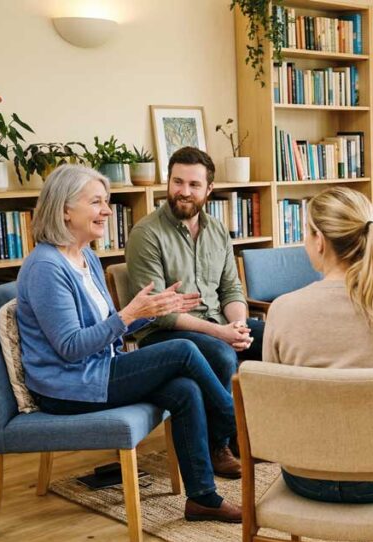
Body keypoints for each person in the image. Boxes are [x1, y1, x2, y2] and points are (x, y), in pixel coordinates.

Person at [17, 165, 242, 523]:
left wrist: (152, 310)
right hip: (67, 387)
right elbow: (71, 347)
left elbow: (108, 331)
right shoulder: (45, 266)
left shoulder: (85, 256)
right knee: (184, 350)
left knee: (184, 389)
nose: (107, 211)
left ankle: (202, 499)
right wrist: (127, 315)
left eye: (106, 202)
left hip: (97, 371)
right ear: (64, 210)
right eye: (97, 202)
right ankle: (233, 418)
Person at [263, 187, 373, 542]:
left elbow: (275, 409)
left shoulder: (282, 311)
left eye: (306, 232)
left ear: (319, 241)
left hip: (305, 478)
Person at [126, 146, 263, 393]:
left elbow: (231, 288)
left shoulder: (218, 230)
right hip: (164, 334)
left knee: (280, 337)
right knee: (221, 355)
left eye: (194, 184)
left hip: (218, 322)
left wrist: (239, 328)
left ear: (209, 189)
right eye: (177, 182)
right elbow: (159, 312)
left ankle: (277, 426)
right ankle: (228, 431)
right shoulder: (146, 234)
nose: (184, 192)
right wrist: (221, 333)